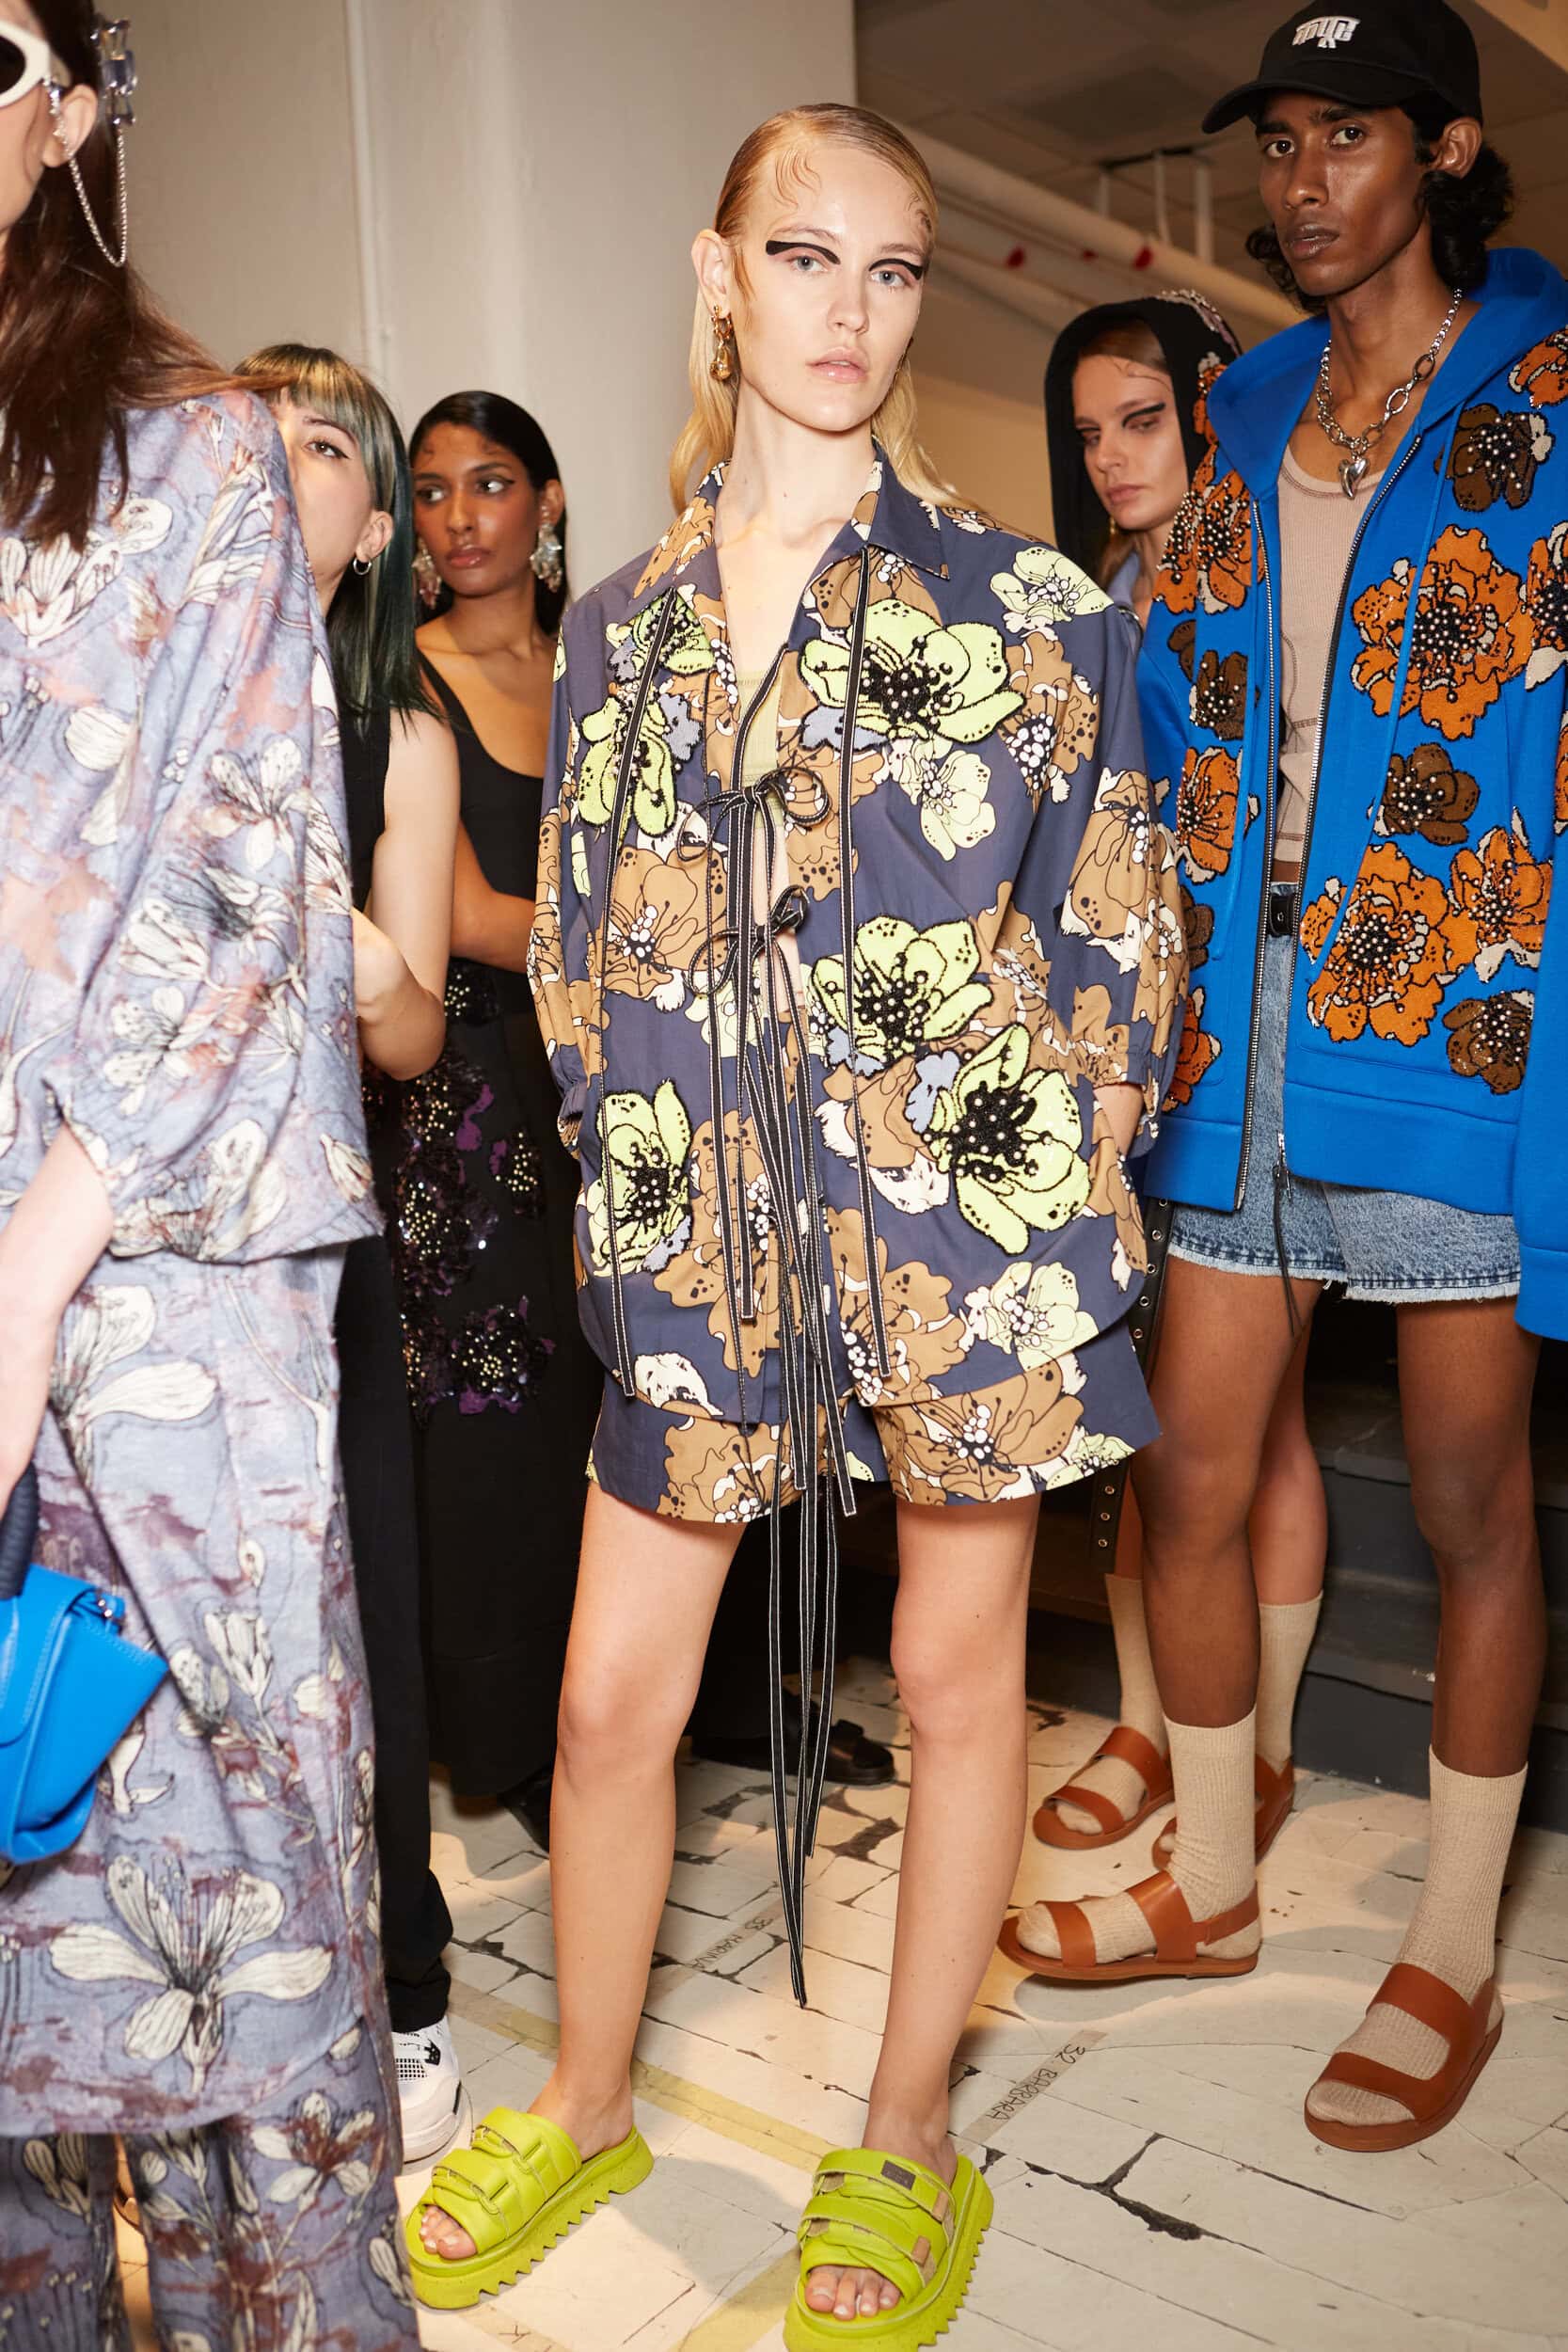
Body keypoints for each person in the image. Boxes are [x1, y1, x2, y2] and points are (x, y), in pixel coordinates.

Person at [406, 103, 1184, 2341]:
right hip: (694, 1237)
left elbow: (1121, 946)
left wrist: (1037, 1180)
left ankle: (910, 2127)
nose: (849, 310)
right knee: (605, 1702)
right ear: (719, 272)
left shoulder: (1030, 609)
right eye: (805, 256)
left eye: (893, 268)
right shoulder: (622, 625)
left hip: (959, 1240)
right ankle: (586, 2093)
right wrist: (628, 1156)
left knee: (952, 1685)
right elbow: (583, 947)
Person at [1009, 0, 1568, 2158]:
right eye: (1279, 140)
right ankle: (1221, 1879)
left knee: (1471, 1498)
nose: (1302, 177)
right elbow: (1175, 709)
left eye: (1348, 135)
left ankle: (1453, 1939)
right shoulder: (1242, 410)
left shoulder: (1548, 394)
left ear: (1448, 149)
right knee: (1191, 1474)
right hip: (1235, 1017)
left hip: (1448, 1008)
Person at [0, 5, 417, 2337]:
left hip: (159, 1282)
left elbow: (240, 872)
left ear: (70, 108)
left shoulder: (197, 451)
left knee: (239, 1918)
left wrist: (23, 1285)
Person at [1034, 296, 1326, 1861]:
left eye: (1141, 420)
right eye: (1088, 432)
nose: (1111, 456)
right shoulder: (1096, 596)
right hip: (1129, 1041)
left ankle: (1244, 1751)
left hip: (1259, 1026)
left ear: (1213, 410)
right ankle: (1167, 1728)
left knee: (1245, 1420)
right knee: (1160, 1410)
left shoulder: (1270, 575)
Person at [236, 343, 467, 2162]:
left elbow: (410, 1036)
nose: (269, 458)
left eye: (317, 440)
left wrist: (350, 942)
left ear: (375, 526)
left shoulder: (402, 735)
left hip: (322, 1224)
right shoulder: (125, 674)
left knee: (360, 1613)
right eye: (247, 428)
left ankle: (405, 1990)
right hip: (132, 1223)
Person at [375, 391, 603, 1842]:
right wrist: (650, 953)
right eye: (433, 489)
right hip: (466, 1091)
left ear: (549, 502)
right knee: (496, 1415)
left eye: (492, 482)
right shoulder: (410, 676)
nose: (460, 517)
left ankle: (648, 1707)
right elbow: (456, 915)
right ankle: (509, 1740)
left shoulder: (601, 660)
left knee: (618, 1394)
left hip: (608, 1074)